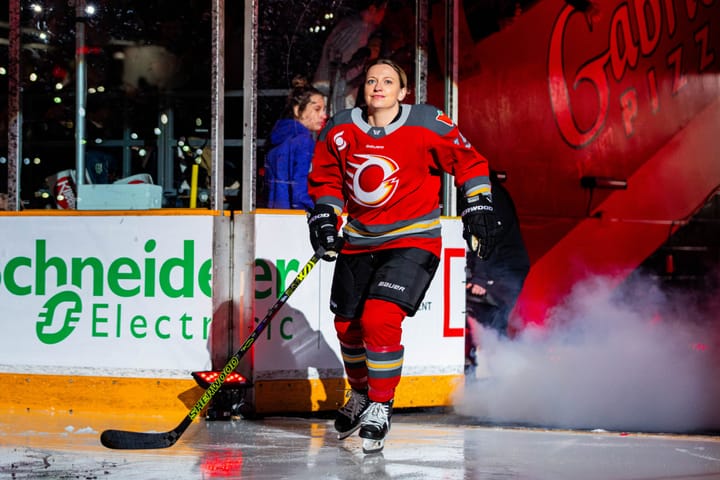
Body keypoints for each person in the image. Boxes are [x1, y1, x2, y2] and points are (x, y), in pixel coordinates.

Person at [306, 58, 501, 454]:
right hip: (359, 241)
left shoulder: (428, 122)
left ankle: (380, 403)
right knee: (347, 326)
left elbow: (469, 161)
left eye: (388, 81)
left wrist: (478, 204)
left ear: (403, 91)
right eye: (372, 80)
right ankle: (360, 395)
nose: (378, 86)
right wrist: (326, 215)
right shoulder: (340, 127)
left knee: (379, 318)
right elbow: (327, 177)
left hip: (412, 241)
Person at [465, 175, 530, 376]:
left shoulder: (487, 195)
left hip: (504, 269)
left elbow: (488, 235)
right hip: (499, 267)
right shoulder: (485, 190)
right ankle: (496, 376)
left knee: (492, 324)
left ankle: (501, 377)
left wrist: (481, 278)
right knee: (489, 323)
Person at [313, 0, 388, 115]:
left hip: (334, 92)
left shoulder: (355, 26)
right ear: (373, 9)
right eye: (383, 9)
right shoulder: (357, 29)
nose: (384, 14)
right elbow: (340, 65)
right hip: (332, 94)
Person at [264, 76, 327, 210]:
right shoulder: (303, 141)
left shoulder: (277, 139)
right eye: (317, 109)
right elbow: (300, 191)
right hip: (297, 218)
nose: (323, 115)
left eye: (324, 110)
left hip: (274, 215)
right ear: (297, 110)